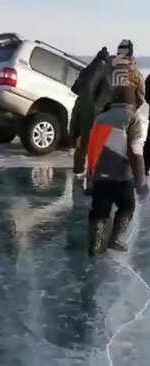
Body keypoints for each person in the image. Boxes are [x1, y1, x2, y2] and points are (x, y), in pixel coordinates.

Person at [85, 87, 148, 256]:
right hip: (121, 176)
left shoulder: (100, 118)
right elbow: (135, 151)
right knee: (127, 205)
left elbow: (91, 149)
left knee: (99, 210)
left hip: (99, 175)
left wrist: (90, 178)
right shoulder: (132, 118)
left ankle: (95, 243)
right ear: (130, 102)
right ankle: (116, 238)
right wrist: (140, 179)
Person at [69, 47, 109, 177]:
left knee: (80, 142)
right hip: (93, 109)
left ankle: (78, 172)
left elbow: (74, 88)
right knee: (93, 143)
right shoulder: (105, 73)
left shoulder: (87, 70)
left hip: (79, 105)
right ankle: (92, 175)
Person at [90, 39, 145, 115]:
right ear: (130, 54)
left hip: (104, 111)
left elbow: (94, 86)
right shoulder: (136, 73)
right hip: (126, 114)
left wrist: (97, 103)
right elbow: (140, 97)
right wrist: (133, 108)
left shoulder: (106, 68)